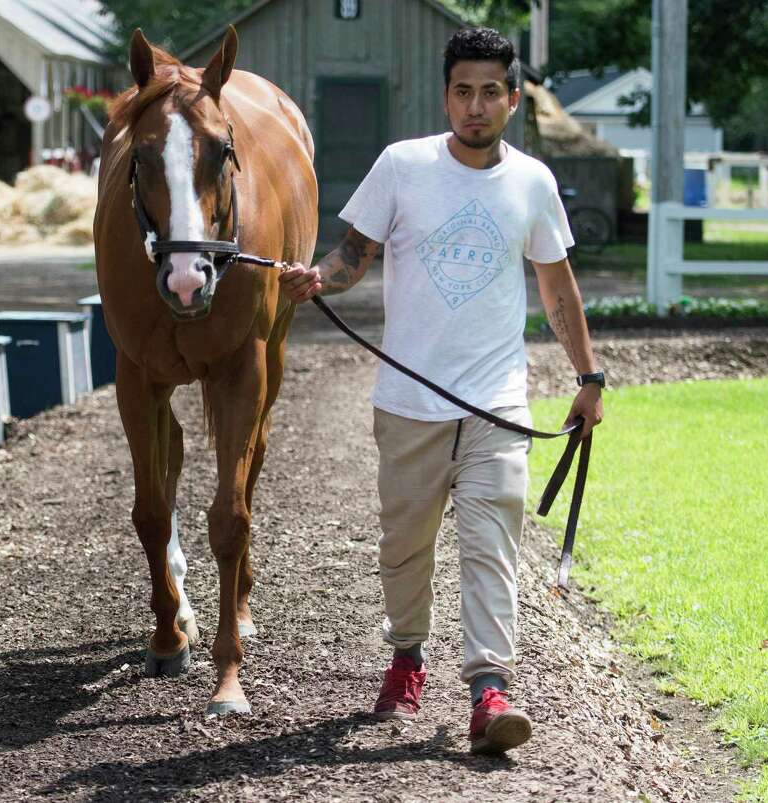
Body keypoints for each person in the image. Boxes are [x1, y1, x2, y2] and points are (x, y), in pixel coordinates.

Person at [279, 26, 604, 755]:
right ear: (445, 96)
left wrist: (588, 378)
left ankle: (489, 692)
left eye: (491, 91)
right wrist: (315, 278)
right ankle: (406, 656)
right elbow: (352, 253)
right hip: (408, 403)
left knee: (491, 547)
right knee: (406, 548)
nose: (476, 106)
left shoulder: (532, 183)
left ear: (514, 100)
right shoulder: (402, 166)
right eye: (463, 91)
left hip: (497, 407)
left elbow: (558, 287)